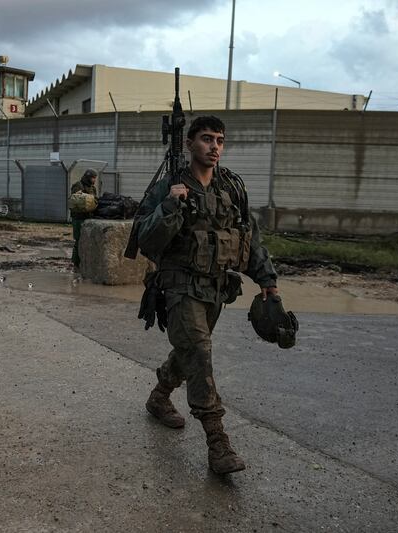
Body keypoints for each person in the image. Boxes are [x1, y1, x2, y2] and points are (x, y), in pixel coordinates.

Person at [136, 115, 278, 474]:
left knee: (188, 353)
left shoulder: (230, 187)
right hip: (179, 285)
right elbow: (145, 241)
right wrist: (170, 206)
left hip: (215, 287)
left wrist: (267, 280)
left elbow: (250, 236)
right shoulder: (170, 185)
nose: (214, 146)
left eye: (219, 140)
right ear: (189, 144)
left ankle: (158, 397)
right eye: (205, 139)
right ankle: (218, 443)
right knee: (199, 352)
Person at [69, 168, 98, 267]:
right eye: (93, 178)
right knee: (79, 240)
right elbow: (75, 201)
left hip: (89, 218)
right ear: (88, 177)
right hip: (79, 218)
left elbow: (94, 201)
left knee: (89, 241)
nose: (94, 180)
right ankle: (76, 262)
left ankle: (86, 262)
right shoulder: (78, 186)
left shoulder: (93, 188)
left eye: (95, 178)